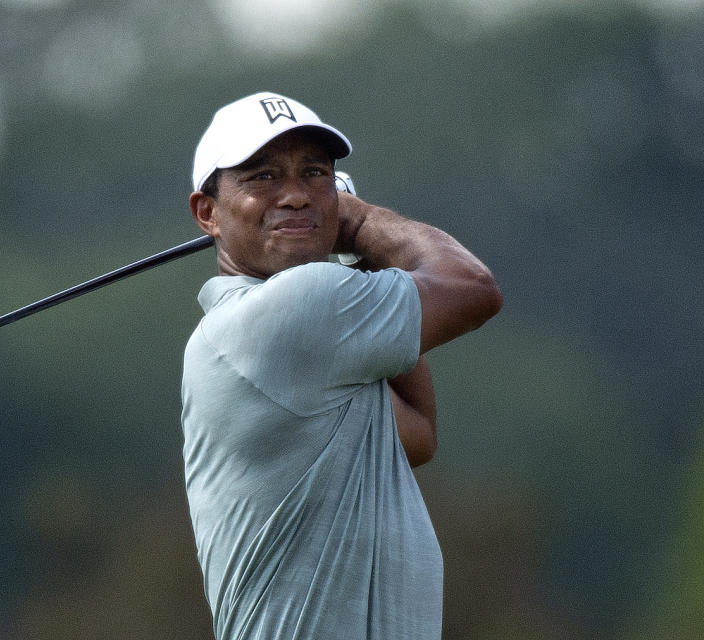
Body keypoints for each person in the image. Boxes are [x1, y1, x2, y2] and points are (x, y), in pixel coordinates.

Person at [180, 92, 502, 640]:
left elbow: (418, 435)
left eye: (315, 174)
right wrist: (359, 223)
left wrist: (351, 253)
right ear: (207, 211)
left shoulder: (315, 346)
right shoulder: (291, 312)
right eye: (262, 177)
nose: (296, 195)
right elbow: (471, 288)